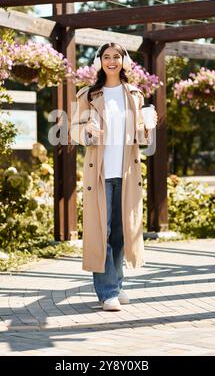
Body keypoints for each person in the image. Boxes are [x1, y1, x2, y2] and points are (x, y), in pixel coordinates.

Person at [70, 42, 158, 311]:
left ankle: (117, 285)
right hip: (99, 174)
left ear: (123, 61)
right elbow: (74, 131)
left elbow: (142, 137)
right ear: (100, 62)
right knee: (102, 232)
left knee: (122, 233)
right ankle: (107, 291)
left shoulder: (134, 94)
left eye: (116, 57)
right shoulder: (88, 94)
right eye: (106, 57)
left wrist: (149, 126)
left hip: (127, 173)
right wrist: (87, 132)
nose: (111, 61)